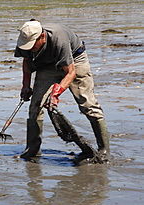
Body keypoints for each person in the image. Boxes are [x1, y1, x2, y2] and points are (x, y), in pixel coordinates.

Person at [14, 19, 110, 162]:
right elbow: (27, 63)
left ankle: (104, 149)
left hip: (75, 60)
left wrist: (56, 93)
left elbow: (70, 72)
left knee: (87, 104)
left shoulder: (59, 39)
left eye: (32, 45)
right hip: (47, 64)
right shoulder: (25, 39)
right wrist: (26, 86)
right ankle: (32, 150)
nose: (29, 48)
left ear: (42, 37)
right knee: (35, 106)